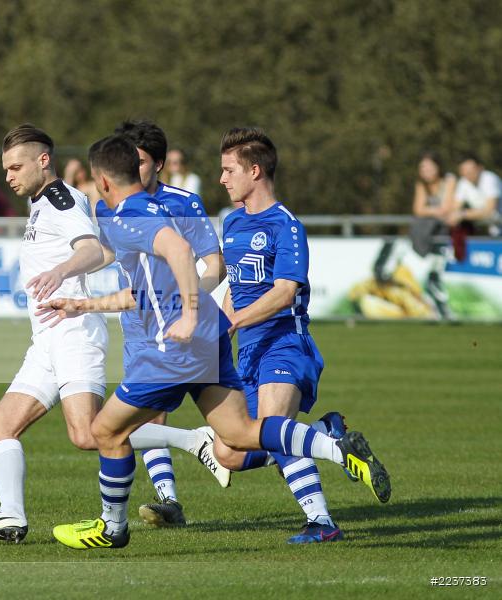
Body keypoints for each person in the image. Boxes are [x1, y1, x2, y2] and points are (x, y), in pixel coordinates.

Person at [38, 134, 390, 551]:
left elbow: (181, 252)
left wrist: (188, 314)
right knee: (238, 438)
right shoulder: (154, 209)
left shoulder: (131, 214)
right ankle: (335, 446)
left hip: (182, 347)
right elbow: (147, 292)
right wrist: (84, 304)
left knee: (103, 429)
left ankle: (111, 528)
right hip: (210, 338)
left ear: (104, 181)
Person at [0, 125, 216, 543]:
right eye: (5, 169)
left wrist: (60, 272)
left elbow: (92, 248)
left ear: (44, 160)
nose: (8, 176)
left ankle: (193, 440)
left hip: (73, 332)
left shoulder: (62, 200)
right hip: (46, 338)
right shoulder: (41, 203)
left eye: (15, 166)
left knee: (90, 433)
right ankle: (10, 516)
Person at [215, 127, 358, 544]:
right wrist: (218, 333)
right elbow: (236, 290)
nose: (221, 179)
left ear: (254, 171)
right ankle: (325, 433)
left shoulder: (286, 225)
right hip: (247, 354)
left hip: (285, 343)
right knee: (228, 451)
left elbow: (284, 293)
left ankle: (322, 523)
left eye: (228, 170)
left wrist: (232, 323)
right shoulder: (233, 221)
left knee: (274, 425)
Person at [104, 120, 231, 527]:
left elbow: (214, 263)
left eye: (139, 162)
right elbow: (113, 256)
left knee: (235, 435)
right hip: (137, 324)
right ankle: (169, 500)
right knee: (144, 417)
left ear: (158, 164)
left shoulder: (183, 203)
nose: (132, 169)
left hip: (179, 326)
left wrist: (186, 300)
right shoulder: (110, 205)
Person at [410, 152, 457, 318]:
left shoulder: (449, 180)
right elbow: (417, 209)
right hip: (433, 236)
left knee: (437, 274)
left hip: (450, 234)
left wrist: (429, 211)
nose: (426, 170)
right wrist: (436, 212)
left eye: (429, 166)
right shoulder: (421, 184)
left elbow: (446, 208)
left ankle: (441, 306)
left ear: (438, 167)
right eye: (422, 167)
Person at [451, 155, 501, 236]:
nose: (468, 173)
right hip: (484, 227)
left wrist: (462, 214)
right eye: (464, 170)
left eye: (471, 169)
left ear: (480, 168)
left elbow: (489, 211)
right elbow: (454, 208)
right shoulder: (463, 183)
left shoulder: (490, 178)